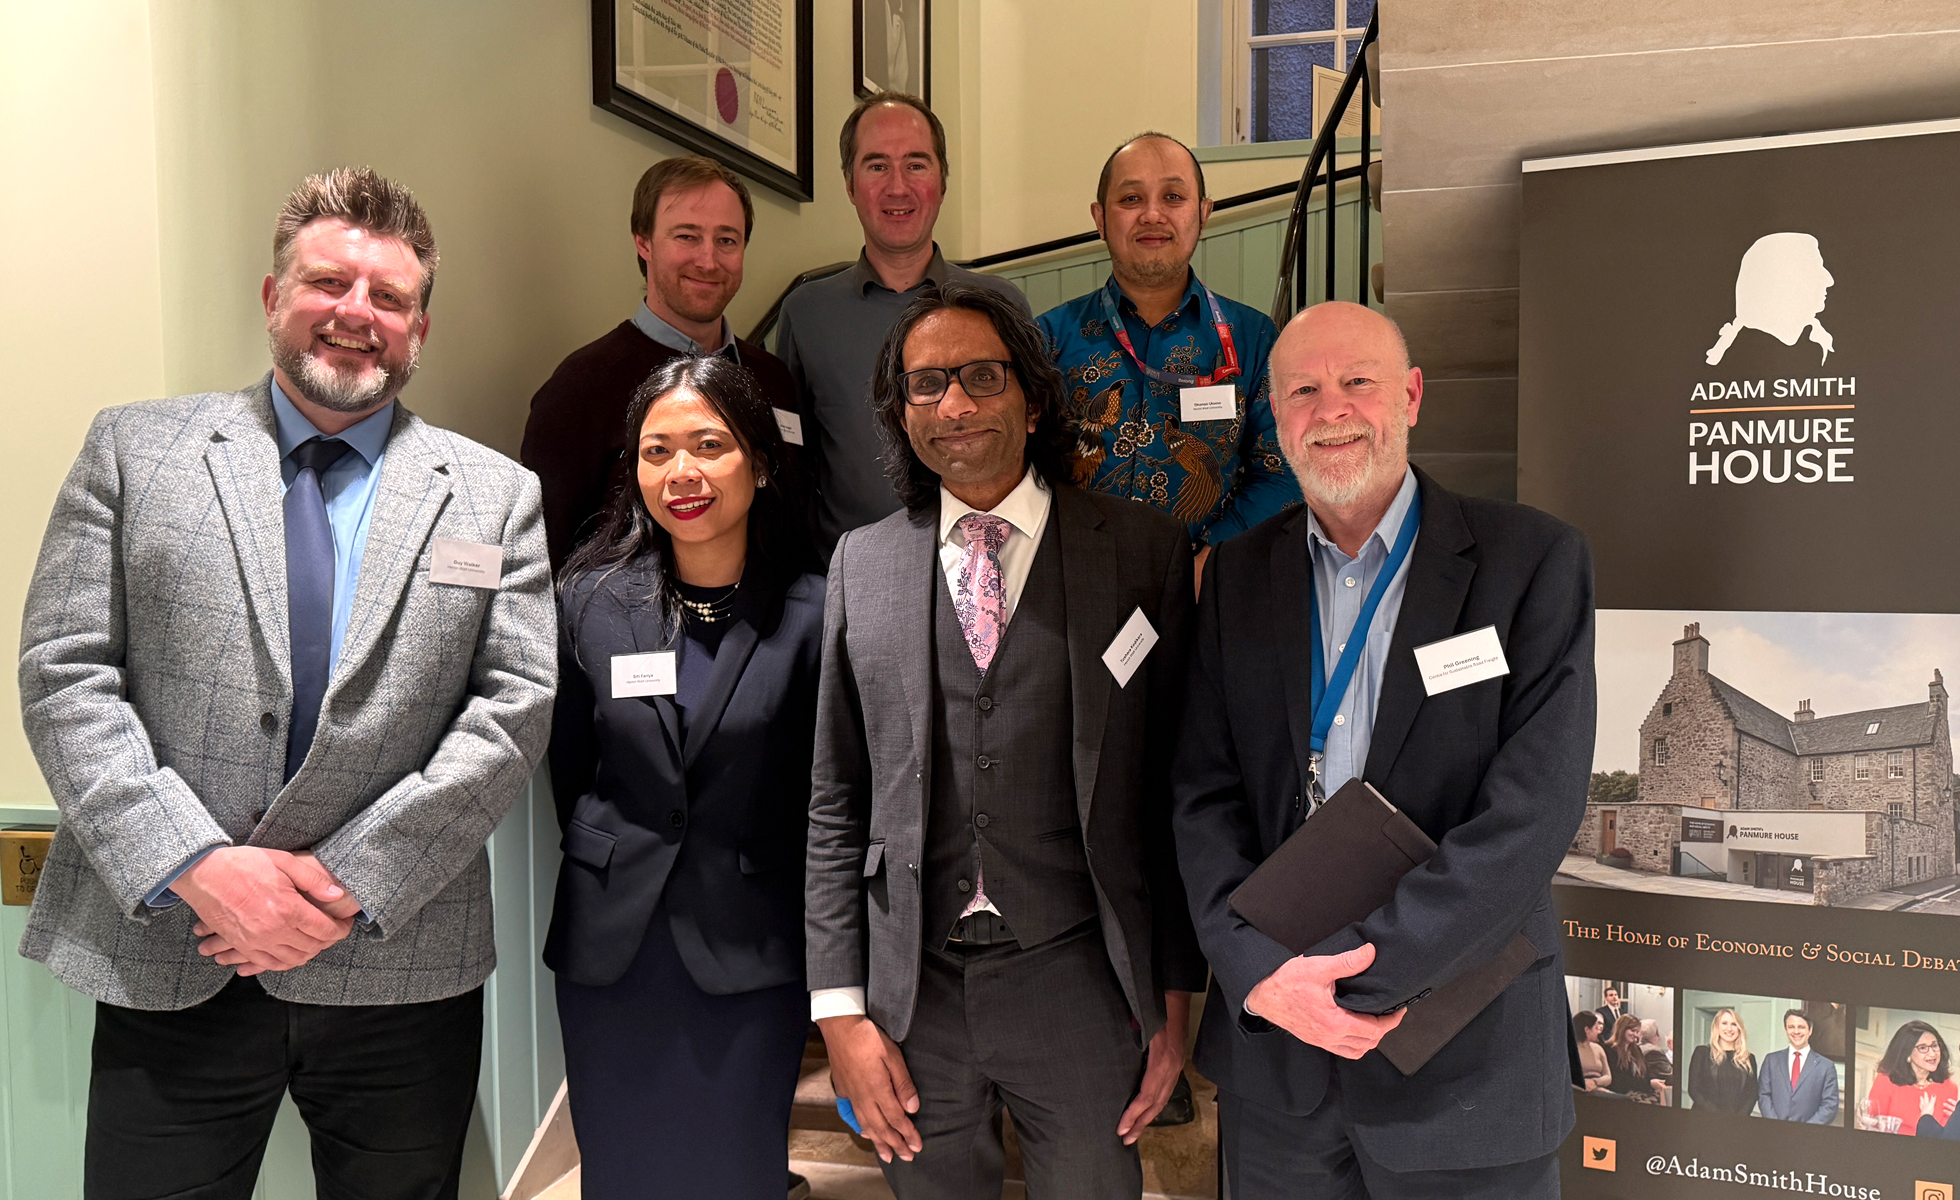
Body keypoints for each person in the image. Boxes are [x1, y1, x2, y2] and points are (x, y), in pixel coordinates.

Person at [15, 166, 556, 1199]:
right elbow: (64, 675)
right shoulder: (135, 452)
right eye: (328, 284)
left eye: (390, 298)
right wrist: (201, 866)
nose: (357, 315)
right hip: (176, 948)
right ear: (273, 298)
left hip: (401, 966)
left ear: (421, 328)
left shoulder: (495, 497)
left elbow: (512, 712)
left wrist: (347, 884)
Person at [1170, 300, 1596, 1199]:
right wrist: (1263, 975)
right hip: (1280, 1070)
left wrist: (1359, 978)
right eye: (1303, 390)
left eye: (1358, 382)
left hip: (1467, 1058)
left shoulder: (1532, 562)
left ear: (1409, 395)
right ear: (1273, 417)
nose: (1332, 410)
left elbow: (1535, 812)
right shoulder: (1235, 577)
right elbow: (1202, 798)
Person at [805, 281, 1206, 1198]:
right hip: (913, 993)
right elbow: (835, 802)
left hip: (1080, 979)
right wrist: (839, 1013)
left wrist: (1175, 999)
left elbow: (1175, 792)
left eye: (981, 377)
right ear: (900, 414)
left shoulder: (1142, 551)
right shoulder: (859, 566)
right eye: (925, 384)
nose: (953, 404)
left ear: (1031, 398)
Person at [545, 356, 824, 1198]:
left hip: (750, 948)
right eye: (656, 451)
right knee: (621, 1170)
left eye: (710, 444)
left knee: (737, 1170)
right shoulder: (589, 600)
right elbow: (571, 770)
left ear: (762, 463)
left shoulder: (820, 609)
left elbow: (830, 798)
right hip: (612, 950)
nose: (683, 472)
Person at [775, 93, 1031, 556]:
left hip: (988, 567)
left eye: (916, 164)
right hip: (852, 577)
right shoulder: (806, 313)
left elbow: (1030, 442)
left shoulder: (1000, 304)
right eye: (876, 166)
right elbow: (797, 461)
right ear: (850, 186)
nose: (898, 187)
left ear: (942, 180)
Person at [1037, 133, 1298, 586]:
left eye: (1173, 197)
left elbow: (1283, 472)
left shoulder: (1254, 338)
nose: (1152, 214)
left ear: (1203, 212)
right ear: (1100, 218)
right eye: (1131, 198)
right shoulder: (1047, 339)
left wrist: (1208, 561)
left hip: (1209, 589)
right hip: (1072, 587)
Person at [522, 155, 801, 573]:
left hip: (773, 629)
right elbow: (545, 557)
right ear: (644, 242)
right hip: (633, 631)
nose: (708, 260)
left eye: (727, 240)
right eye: (687, 236)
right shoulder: (580, 388)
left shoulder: (774, 380)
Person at [1860, 1020, 1956, 1135]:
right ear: (1907, 1053)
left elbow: (1944, 1137)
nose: (1932, 1054)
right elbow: (1873, 1126)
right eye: (1923, 1048)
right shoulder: (1886, 1081)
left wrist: (1955, 1122)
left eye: (1935, 1046)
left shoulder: (1949, 1087)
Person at [1759, 1009, 1839, 1124]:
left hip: (1808, 1136)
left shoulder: (1826, 1066)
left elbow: (1830, 1105)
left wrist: (1805, 1130)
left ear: (1810, 1030)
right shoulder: (1771, 1060)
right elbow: (1763, 1095)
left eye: (1801, 1027)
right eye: (1791, 1027)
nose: (1796, 1031)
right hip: (1775, 1132)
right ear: (1785, 1030)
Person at [1688, 1008, 1759, 1115]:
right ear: (1717, 1027)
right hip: (1705, 1119)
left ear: (1739, 1029)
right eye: (1724, 1023)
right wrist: (1718, 1116)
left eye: (1734, 1024)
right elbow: (1694, 1090)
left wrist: (1739, 1118)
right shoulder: (1702, 1053)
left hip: (1737, 1123)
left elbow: (1752, 1094)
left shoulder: (1749, 1058)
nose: (1729, 1028)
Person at [1607, 1015, 1666, 1104]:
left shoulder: (1636, 1050)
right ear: (1622, 1029)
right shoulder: (1610, 1050)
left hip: (1640, 1092)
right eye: (1633, 1031)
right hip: (1623, 1095)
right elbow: (1620, 1080)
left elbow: (1645, 1073)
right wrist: (1648, 1084)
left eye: (1637, 1032)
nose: (1636, 1035)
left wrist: (1652, 1082)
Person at [1573, 1012, 1611, 1093]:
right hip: (1578, 1090)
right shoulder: (1570, 1049)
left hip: (1598, 1087)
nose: (1598, 1032)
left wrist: (1595, 1082)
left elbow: (1608, 1077)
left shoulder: (1598, 1048)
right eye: (1595, 1028)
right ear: (1587, 1029)